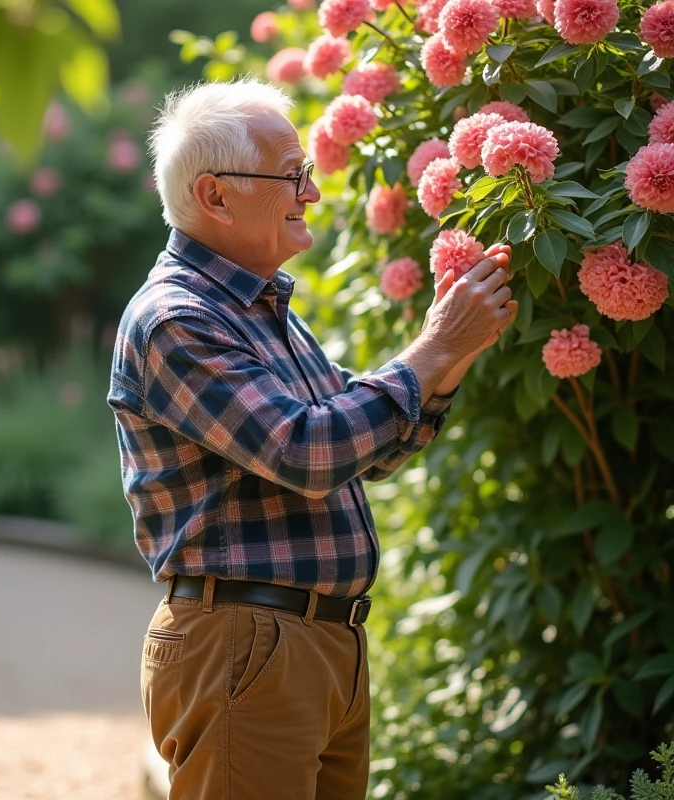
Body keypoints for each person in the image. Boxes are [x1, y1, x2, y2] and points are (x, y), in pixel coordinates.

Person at [107, 78, 518, 799]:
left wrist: (453, 356)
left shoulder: (263, 309)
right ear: (215, 196)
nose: (313, 193)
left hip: (313, 644)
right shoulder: (177, 319)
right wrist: (430, 347)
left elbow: (369, 449)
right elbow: (308, 453)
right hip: (248, 643)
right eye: (292, 175)